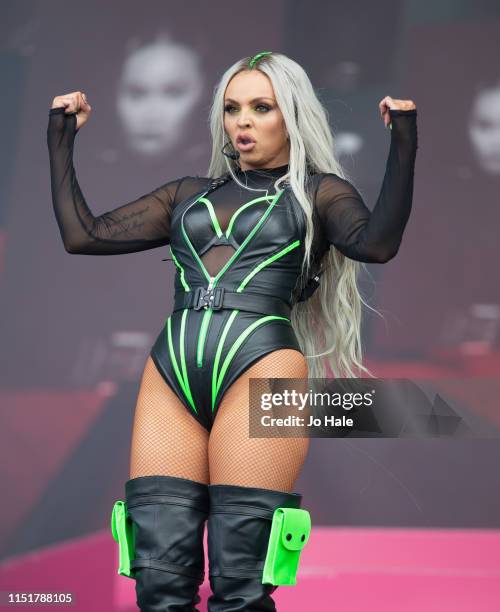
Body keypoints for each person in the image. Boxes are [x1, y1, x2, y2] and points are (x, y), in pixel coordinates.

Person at [47, 51, 418, 611]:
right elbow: (84, 235)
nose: (242, 121)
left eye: (261, 107)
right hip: (172, 367)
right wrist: (61, 137)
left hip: (262, 364)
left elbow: (377, 245)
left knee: (239, 584)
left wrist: (404, 143)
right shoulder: (186, 193)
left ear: (291, 116)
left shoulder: (319, 193)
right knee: (158, 580)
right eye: (231, 108)